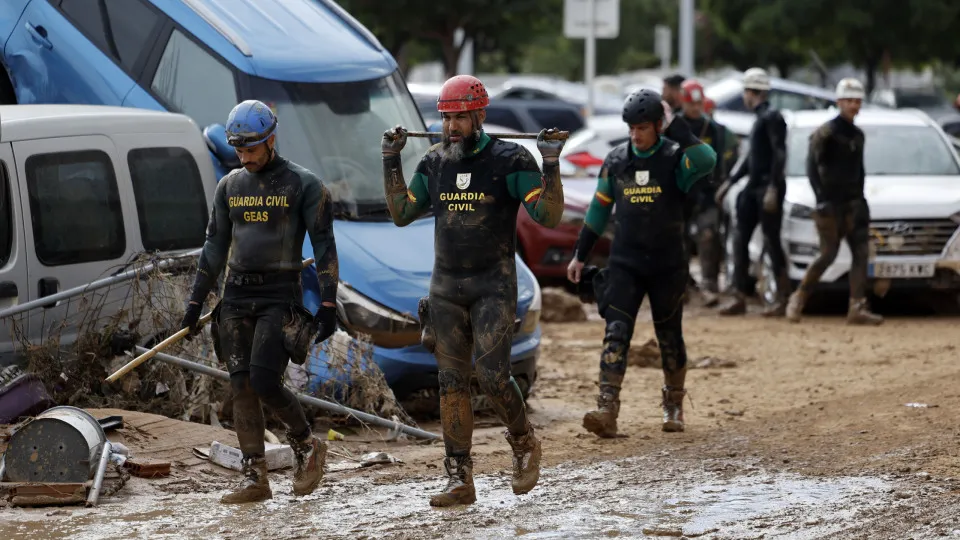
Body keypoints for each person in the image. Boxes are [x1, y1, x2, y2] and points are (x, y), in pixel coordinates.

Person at [380, 74, 565, 507]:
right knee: (450, 383)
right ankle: (459, 477)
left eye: (460, 118)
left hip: (492, 286)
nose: (451, 127)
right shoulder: (434, 161)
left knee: (493, 376)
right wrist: (390, 160)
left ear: (480, 114)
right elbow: (402, 213)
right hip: (445, 288)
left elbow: (550, 217)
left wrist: (551, 164)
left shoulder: (510, 160)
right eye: (446, 118)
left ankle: (523, 443)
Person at [180, 100, 340, 504]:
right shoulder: (229, 186)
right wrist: (196, 302)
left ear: (271, 139)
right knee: (241, 387)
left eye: (252, 148)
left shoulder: (305, 185)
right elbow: (214, 247)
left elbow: (324, 246)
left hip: (278, 294)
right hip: (235, 294)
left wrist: (328, 303)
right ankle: (255, 477)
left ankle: (307, 445)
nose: (245, 157)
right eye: (239, 149)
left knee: (266, 380)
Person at [566, 88, 717, 436]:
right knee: (615, 333)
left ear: (658, 126)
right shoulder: (617, 161)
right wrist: (580, 254)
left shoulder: (677, 158)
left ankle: (673, 405)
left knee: (669, 336)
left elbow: (707, 160)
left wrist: (677, 127)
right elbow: (598, 209)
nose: (636, 134)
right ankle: (606, 409)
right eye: (631, 127)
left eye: (643, 127)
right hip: (626, 263)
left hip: (668, 264)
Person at [786, 78, 883, 325]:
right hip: (830, 205)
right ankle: (798, 298)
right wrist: (821, 199)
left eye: (857, 101)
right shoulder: (826, 132)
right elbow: (811, 166)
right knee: (827, 254)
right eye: (849, 101)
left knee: (861, 254)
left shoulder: (857, 135)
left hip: (854, 203)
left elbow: (858, 169)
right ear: (839, 102)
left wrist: (861, 200)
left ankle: (857, 307)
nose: (853, 105)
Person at [715, 68, 790, 316]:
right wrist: (730, 183)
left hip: (768, 189)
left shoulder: (772, 118)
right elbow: (752, 159)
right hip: (752, 188)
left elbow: (780, 154)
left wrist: (772, 188)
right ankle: (739, 295)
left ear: (750, 92)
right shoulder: (759, 119)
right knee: (739, 239)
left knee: (771, 240)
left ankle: (781, 298)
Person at [678, 79, 727, 301]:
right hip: (680, 192)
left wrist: (719, 187)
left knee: (708, 236)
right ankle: (681, 285)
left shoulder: (713, 129)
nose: (696, 109)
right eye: (691, 104)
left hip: (706, 192)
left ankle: (709, 285)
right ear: (683, 102)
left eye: (699, 104)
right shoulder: (675, 126)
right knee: (679, 238)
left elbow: (719, 161)